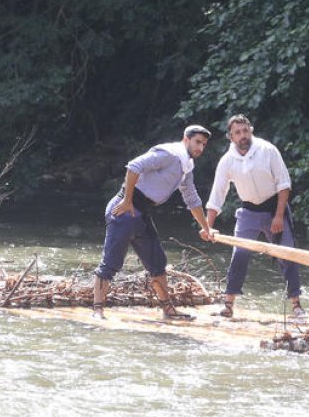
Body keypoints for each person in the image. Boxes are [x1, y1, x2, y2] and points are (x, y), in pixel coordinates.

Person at [92, 125, 216, 320]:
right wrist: (127, 200)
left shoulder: (186, 167)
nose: (200, 148)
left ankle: (169, 310)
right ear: (186, 139)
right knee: (111, 263)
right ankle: (97, 310)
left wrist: (206, 228)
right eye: (197, 142)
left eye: (204, 144)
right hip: (124, 209)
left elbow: (192, 199)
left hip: (142, 213)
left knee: (157, 263)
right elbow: (134, 166)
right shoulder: (169, 154)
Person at [205, 114, 305, 321]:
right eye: (237, 132)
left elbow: (284, 184)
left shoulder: (268, 150)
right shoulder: (227, 160)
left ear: (250, 130)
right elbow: (218, 194)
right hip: (249, 211)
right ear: (231, 136)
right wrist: (207, 226)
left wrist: (279, 216)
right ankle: (228, 304)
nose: (243, 135)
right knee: (239, 254)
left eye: (245, 130)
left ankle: (296, 304)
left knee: (287, 254)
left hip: (274, 208)